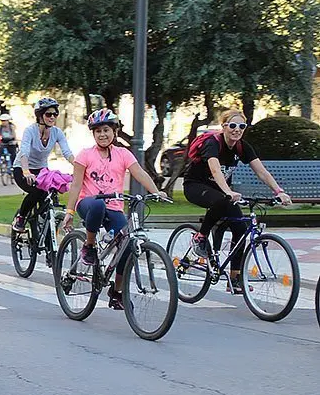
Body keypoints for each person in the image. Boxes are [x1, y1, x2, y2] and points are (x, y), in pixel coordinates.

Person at [60, 109, 166, 309]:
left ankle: (116, 292)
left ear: (114, 132)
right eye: (98, 131)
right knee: (98, 203)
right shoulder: (85, 155)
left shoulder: (123, 154)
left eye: (106, 130)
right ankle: (89, 246)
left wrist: (156, 191)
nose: (102, 134)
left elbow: (139, 173)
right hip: (89, 205)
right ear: (93, 134)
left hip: (114, 207)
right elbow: (75, 185)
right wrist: (69, 212)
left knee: (127, 242)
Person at [183, 109, 291, 293]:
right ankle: (201, 237)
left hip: (222, 192)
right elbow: (216, 170)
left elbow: (261, 172)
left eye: (242, 126)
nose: (237, 130)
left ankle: (234, 279)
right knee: (221, 200)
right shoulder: (212, 144)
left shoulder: (242, 147)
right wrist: (227, 191)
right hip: (195, 186)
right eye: (232, 125)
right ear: (224, 127)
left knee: (241, 229)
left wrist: (279, 191)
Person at [12, 98, 75, 232]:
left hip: (41, 170)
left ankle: (44, 227)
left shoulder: (57, 132)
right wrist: (26, 171)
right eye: (48, 114)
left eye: (55, 114)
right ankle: (21, 217)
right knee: (37, 192)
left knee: (48, 195)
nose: (52, 117)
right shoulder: (30, 131)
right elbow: (24, 152)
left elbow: (67, 152)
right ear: (40, 115)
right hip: (22, 168)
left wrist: (78, 167)